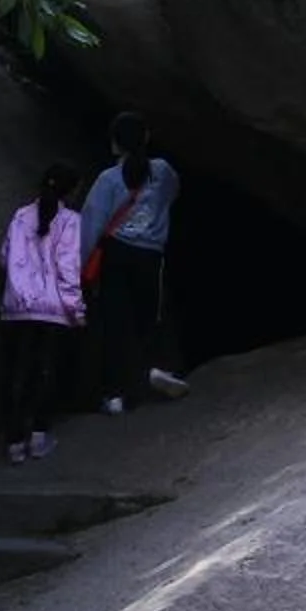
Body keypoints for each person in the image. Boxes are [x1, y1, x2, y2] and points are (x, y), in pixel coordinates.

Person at [80, 111, 188, 413]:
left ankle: (115, 393)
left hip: (116, 253)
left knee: (115, 322)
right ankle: (156, 369)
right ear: (146, 137)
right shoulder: (163, 171)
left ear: (115, 145)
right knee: (150, 315)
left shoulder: (108, 180)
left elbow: (92, 224)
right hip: (150, 254)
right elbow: (172, 194)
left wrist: (79, 265)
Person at [0, 164, 86, 463]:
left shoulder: (20, 216)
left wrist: (19, 287)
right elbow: (68, 269)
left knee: (19, 372)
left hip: (18, 308)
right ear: (72, 190)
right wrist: (76, 309)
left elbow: (4, 256)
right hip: (53, 310)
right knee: (45, 372)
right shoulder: (71, 221)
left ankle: (13, 443)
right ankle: (38, 437)